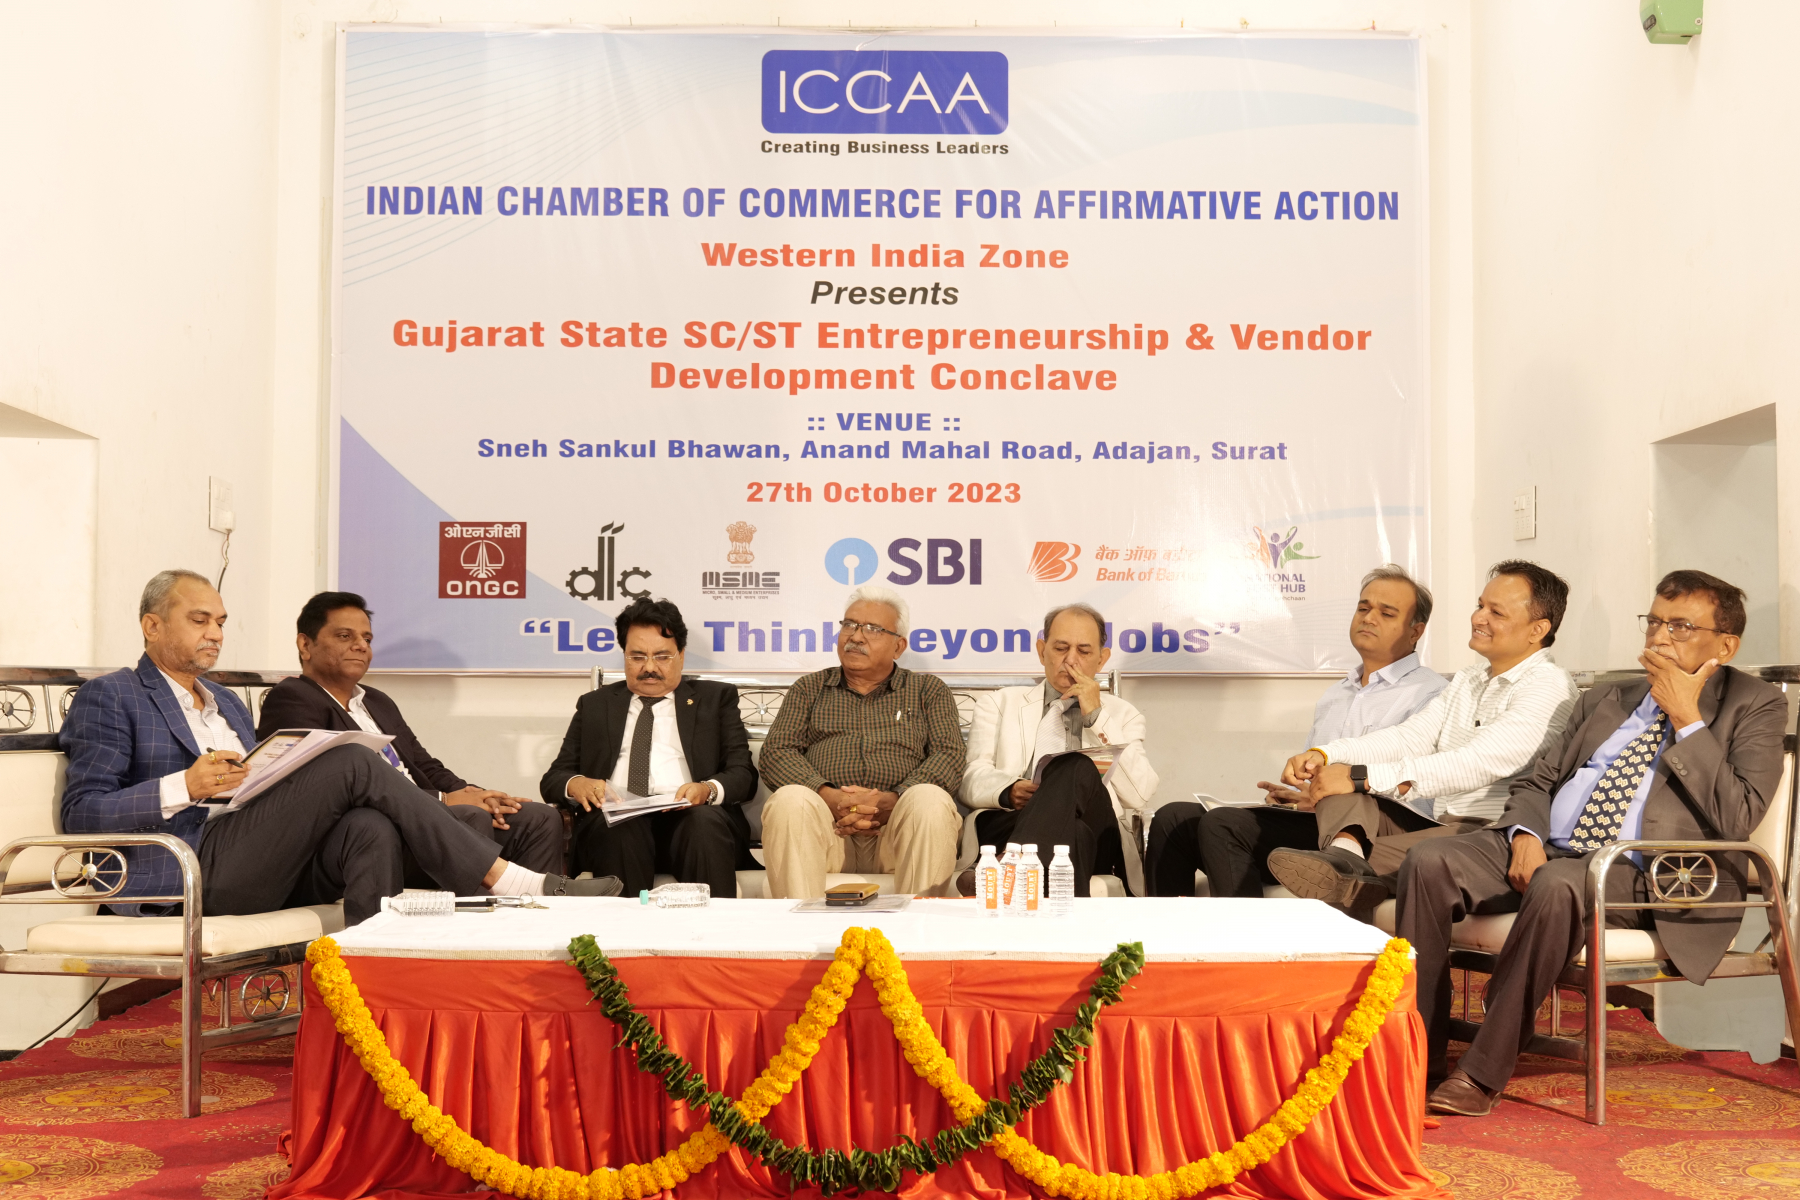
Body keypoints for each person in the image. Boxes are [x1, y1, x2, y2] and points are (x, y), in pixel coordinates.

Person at [1402, 570, 1785, 1115]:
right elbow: (1537, 780)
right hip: (1555, 850)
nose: (1660, 637)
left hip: (1651, 874)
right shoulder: (1610, 696)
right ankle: (1421, 1056)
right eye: (1654, 622)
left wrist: (1685, 717)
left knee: (1559, 883)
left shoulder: (1754, 704)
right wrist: (1526, 835)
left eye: (1680, 626)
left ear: (1725, 646)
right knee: (1428, 860)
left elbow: (1738, 814)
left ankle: (1481, 1075)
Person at [59, 570, 620, 926]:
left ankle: (374, 989)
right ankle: (509, 881)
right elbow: (81, 813)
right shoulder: (112, 695)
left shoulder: (227, 702)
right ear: (152, 626)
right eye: (199, 620)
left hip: (264, 852)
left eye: (221, 622)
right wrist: (184, 784)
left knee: (368, 828)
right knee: (350, 757)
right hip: (192, 861)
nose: (215, 633)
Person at [1265, 561, 1581, 911]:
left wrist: (1359, 777)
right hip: (1438, 824)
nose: (1478, 618)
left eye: (1496, 612)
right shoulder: (1470, 679)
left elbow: (1474, 763)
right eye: (1480, 605)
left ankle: (1345, 866)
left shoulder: (1548, 686)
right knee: (1339, 788)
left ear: (1538, 629)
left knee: (1349, 813)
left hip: (1489, 836)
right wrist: (1326, 755)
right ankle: (1345, 858)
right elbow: (1408, 737)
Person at [1145, 565, 1448, 897]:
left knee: (1224, 825)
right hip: (1316, 820)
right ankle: (1166, 931)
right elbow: (1312, 778)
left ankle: (1251, 933)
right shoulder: (1336, 694)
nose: (1369, 618)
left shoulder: (1431, 693)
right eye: (1363, 608)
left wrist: (1326, 796)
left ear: (1415, 631)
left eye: (1386, 613)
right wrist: (1292, 798)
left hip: (1376, 831)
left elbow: (1415, 782)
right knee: (1173, 818)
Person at [257, 591, 564, 879]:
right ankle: (469, 917)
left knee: (538, 819)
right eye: (344, 636)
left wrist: (474, 793)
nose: (361, 646)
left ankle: (534, 912)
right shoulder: (293, 698)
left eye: (367, 638)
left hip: (427, 820)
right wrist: (443, 800)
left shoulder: (377, 701)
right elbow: (321, 790)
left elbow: (423, 764)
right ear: (305, 645)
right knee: (470, 816)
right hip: (371, 832)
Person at [539, 597, 757, 898]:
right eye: (638, 657)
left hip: (691, 819)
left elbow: (743, 774)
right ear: (624, 655)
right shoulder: (596, 705)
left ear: (681, 655)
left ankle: (710, 927)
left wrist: (706, 789)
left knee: (702, 823)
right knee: (619, 826)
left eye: (662, 656)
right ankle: (624, 929)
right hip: (618, 825)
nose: (650, 668)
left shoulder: (715, 699)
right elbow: (554, 778)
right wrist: (577, 783)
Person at [759, 584, 965, 899]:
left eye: (873, 629)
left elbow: (948, 755)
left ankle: (920, 923)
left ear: (898, 646)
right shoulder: (809, 688)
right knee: (790, 801)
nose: (856, 637)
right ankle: (800, 926)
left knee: (929, 799)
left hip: (897, 834)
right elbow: (777, 752)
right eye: (849, 625)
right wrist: (827, 795)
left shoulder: (928, 690)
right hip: (826, 831)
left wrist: (894, 799)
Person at [960, 603, 1159, 895]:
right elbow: (970, 780)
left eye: (1084, 651)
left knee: (1075, 766)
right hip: (1011, 822)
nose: (1071, 660)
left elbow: (1139, 793)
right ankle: (1056, 917)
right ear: (1042, 651)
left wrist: (1097, 717)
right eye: (1061, 648)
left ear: (1102, 659)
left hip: (1098, 829)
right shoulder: (999, 703)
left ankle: (1010, 868)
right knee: (1073, 835)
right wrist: (1008, 789)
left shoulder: (1122, 714)